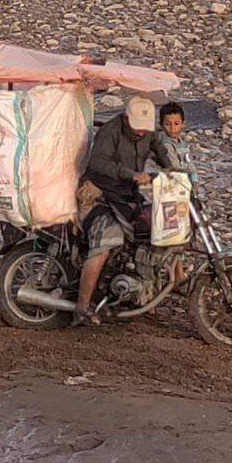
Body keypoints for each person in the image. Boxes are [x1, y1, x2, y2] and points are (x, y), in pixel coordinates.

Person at [75, 96, 157, 327]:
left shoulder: (148, 132)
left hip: (125, 195)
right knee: (107, 241)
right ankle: (82, 306)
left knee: (149, 230)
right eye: (137, 126)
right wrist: (130, 174)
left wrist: (176, 168)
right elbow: (97, 164)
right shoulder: (109, 132)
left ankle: (138, 292)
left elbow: (160, 149)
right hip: (97, 193)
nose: (141, 132)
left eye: (145, 128)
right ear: (125, 118)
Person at [153, 101, 197, 182]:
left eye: (176, 124)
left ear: (183, 124)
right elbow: (174, 166)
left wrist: (194, 178)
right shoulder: (165, 145)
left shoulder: (183, 144)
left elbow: (188, 161)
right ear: (161, 125)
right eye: (167, 124)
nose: (172, 128)